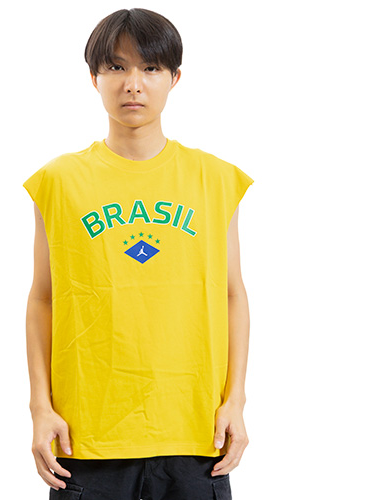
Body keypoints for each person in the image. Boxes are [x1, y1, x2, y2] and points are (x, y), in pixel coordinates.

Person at [23, 8, 253, 500]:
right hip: (86, 437)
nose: (133, 84)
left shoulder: (214, 179)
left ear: (174, 78)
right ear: (94, 78)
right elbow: (43, 298)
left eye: (150, 68)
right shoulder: (59, 181)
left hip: (195, 433)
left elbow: (232, 294)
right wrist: (39, 407)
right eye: (116, 67)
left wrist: (236, 400)